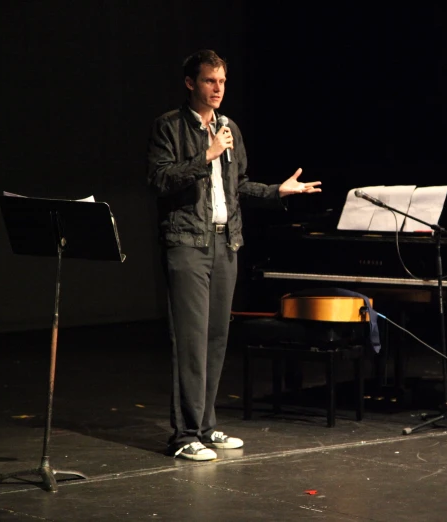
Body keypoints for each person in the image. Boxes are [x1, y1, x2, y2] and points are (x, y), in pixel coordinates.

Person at [147, 49, 321, 461]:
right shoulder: (169, 127)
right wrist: (203, 157)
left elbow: (237, 185)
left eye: (222, 82)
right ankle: (184, 434)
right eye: (210, 81)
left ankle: (205, 427)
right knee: (190, 341)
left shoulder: (230, 129)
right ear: (191, 83)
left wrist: (276, 192)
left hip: (227, 243)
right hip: (188, 243)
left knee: (216, 338)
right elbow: (159, 179)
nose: (218, 89)